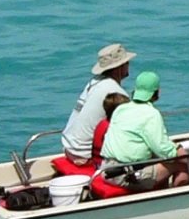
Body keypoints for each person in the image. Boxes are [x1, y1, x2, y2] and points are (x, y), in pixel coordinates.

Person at [55, 43, 134, 176]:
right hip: (84, 156)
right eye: (126, 63)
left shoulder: (94, 82)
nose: (129, 65)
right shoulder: (116, 93)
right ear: (118, 68)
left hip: (69, 148)